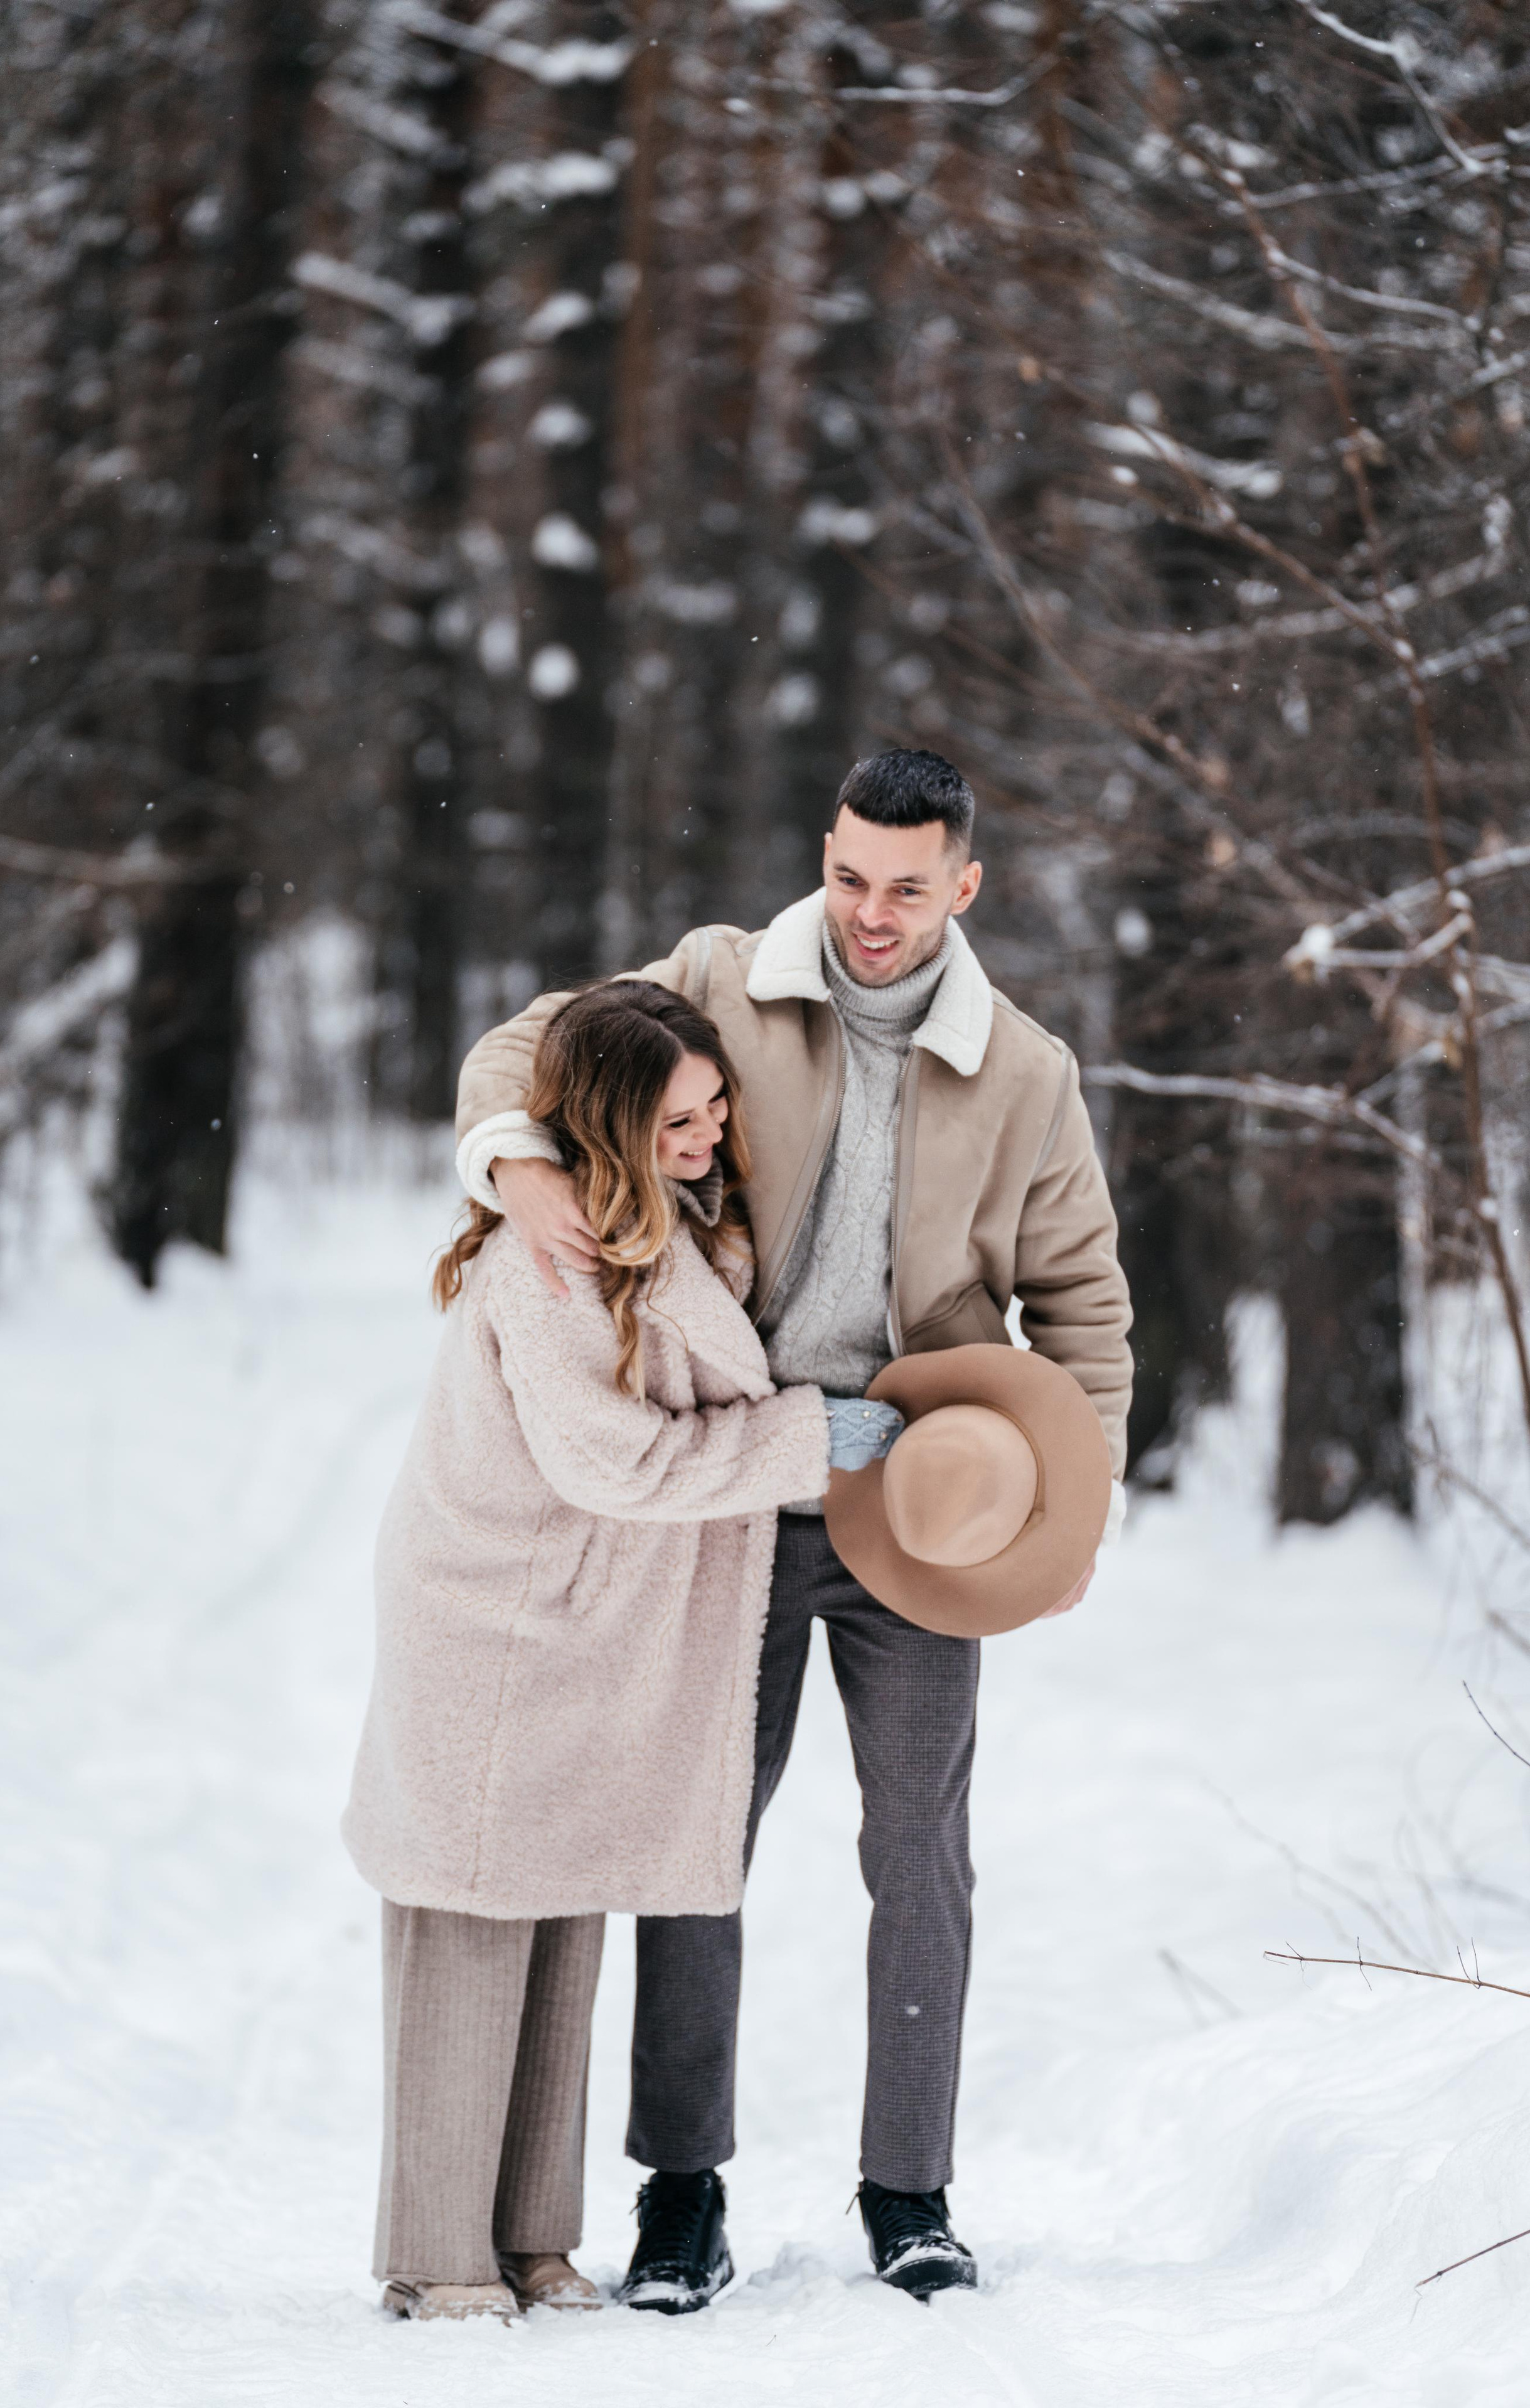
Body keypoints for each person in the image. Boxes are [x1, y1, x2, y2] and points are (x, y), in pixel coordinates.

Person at [453, 748, 1133, 2306]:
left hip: (928, 1496)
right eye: (847, 874)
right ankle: (680, 2192)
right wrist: (515, 1157)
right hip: (734, 1478)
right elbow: (524, 1045)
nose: (868, 914)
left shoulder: (1025, 1070)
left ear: (963, 886)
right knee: (700, 1841)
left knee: (919, 1848)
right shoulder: (717, 976)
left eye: (906, 886)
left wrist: (1071, 1496)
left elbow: (1081, 1299)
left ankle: (911, 2189)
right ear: (821, 853)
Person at [342, 980, 902, 2323]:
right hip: (501, 1617)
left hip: (586, 1631)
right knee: (469, 1929)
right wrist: (796, 1438)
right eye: (675, 1120)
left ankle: (533, 2237)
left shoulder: (673, 1225)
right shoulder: (547, 1261)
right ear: (602, 1123)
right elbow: (613, 1457)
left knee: (561, 1923)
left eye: (713, 1108)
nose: (707, 1134)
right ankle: (439, 2252)